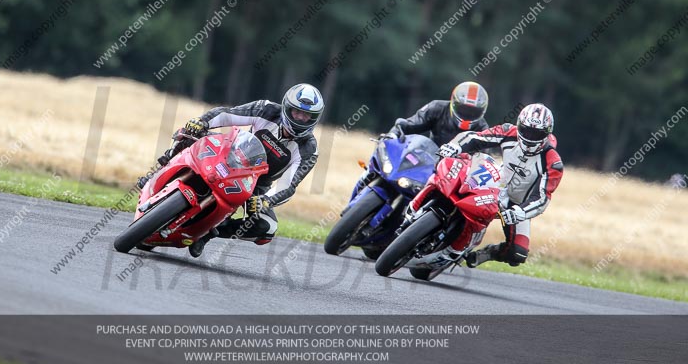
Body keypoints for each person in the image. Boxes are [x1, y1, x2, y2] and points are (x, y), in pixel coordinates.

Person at [150, 83, 324, 257]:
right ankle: (158, 172)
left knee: (267, 227)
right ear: (287, 107)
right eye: (296, 112)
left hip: (257, 183)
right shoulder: (266, 109)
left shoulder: (309, 150)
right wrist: (203, 121)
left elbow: (289, 185)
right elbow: (227, 114)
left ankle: (210, 231)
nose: (300, 118)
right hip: (231, 153)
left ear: (314, 118)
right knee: (191, 133)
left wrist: (266, 200)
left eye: (306, 115)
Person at [411, 103, 564, 268]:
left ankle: (485, 253)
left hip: (516, 205)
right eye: (526, 130)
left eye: (537, 133)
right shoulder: (508, 131)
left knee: (517, 253)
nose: (530, 136)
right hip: (496, 183)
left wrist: (520, 212)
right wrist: (455, 146)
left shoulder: (553, 163)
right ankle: (415, 210)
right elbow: (477, 137)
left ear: (547, 134)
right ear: (519, 125)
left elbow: (542, 198)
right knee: (453, 179)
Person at [352, 82, 490, 196]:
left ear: (482, 111)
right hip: (424, 158)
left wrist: (473, 177)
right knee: (381, 166)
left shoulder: (483, 129)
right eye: (464, 109)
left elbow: (483, 160)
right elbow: (410, 124)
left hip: (449, 176)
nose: (467, 115)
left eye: (473, 112)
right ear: (454, 102)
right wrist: (394, 133)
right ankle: (361, 189)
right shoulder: (437, 107)